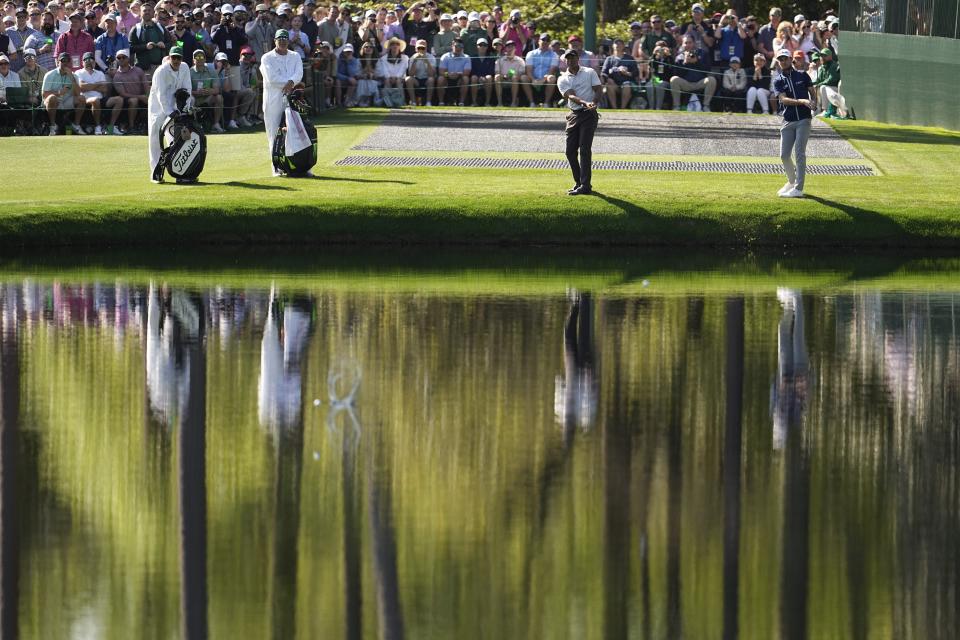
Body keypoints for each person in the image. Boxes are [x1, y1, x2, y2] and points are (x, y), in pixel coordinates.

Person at [557, 48, 600, 196]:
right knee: (570, 151)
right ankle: (579, 182)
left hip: (589, 114)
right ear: (565, 60)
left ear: (578, 59)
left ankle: (585, 185)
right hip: (574, 114)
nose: (570, 61)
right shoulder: (562, 79)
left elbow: (598, 89)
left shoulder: (589, 72)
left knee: (584, 149)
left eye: (573, 58)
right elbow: (571, 96)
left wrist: (593, 103)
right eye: (567, 59)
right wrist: (584, 103)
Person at [773, 48, 816, 198]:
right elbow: (783, 99)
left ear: (791, 59)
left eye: (785, 58)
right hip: (788, 120)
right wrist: (802, 101)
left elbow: (812, 90)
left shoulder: (802, 75)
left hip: (804, 119)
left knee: (799, 153)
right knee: (784, 155)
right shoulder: (778, 80)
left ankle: (798, 188)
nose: (783, 61)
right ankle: (791, 182)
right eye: (780, 59)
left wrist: (814, 102)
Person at [260, 28, 302, 176]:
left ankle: (300, 166)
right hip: (273, 100)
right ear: (275, 41)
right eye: (280, 39)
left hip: (291, 98)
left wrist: (292, 81)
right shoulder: (266, 58)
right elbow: (271, 78)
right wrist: (289, 83)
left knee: (296, 132)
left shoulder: (295, 55)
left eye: (285, 38)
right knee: (273, 134)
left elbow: (299, 73)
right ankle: (276, 168)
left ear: (288, 40)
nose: (283, 41)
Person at [147, 45, 191, 181]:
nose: (176, 60)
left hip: (176, 109)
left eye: (178, 58)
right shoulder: (161, 71)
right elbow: (161, 95)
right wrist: (169, 112)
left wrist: (185, 108)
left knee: (176, 140)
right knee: (155, 140)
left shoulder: (184, 67)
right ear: (169, 58)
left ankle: (180, 172)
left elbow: (187, 88)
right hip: (158, 110)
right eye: (173, 58)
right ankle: (156, 173)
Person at [75, 50, 122, 133]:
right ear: (82, 62)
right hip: (85, 99)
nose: (89, 62)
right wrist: (98, 84)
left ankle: (111, 126)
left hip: (100, 98)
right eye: (87, 60)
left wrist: (89, 86)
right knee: (95, 100)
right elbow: (82, 87)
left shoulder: (100, 73)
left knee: (119, 100)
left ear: (94, 62)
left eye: (92, 60)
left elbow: (104, 89)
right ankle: (98, 126)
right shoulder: (78, 72)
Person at [41, 50, 82, 134]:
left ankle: (76, 125)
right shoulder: (49, 75)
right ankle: (53, 126)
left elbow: (78, 94)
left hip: (66, 101)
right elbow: (44, 94)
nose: (65, 63)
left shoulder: (74, 76)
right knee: (52, 98)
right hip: (52, 102)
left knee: (82, 98)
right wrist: (58, 93)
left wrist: (71, 77)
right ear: (58, 62)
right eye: (63, 61)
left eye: (67, 61)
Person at [111, 47, 146, 133]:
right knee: (134, 101)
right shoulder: (117, 76)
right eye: (119, 58)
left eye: (124, 57)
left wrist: (148, 96)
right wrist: (140, 97)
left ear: (128, 58)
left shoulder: (138, 70)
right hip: (126, 100)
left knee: (152, 100)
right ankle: (131, 126)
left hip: (141, 96)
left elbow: (146, 86)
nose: (121, 59)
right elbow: (123, 94)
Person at [189, 48, 223, 132]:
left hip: (207, 98)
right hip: (194, 99)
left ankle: (216, 124)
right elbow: (186, 90)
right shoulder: (189, 72)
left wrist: (209, 91)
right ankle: (194, 125)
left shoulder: (211, 71)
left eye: (201, 57)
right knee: (191, 99)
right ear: (193, 60)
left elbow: (217, 90)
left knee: (219, 98)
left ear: (205, 59)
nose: (199, 59)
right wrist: (195, 92)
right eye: (197, 57)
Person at [599, 39, 637, 109]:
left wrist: (627, 73)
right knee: (609, 84)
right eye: (616, 43)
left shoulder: (630, 58)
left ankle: (622, 108)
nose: (618, 45)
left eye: (620, 43)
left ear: (623, 46)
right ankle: (614, 109)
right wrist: (607, 78)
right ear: (613, 46)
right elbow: (604, 73)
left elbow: (636, 73)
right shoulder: (609, 59)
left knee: (627, 85)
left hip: (627, 82)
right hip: (614, 83)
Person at [812, 47, 849, 118]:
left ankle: (825, 110)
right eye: (821, 56)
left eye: (824, 56)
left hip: (835, 88)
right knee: (814, 87)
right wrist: (810, 84)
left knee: (822, 87)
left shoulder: (834, 65)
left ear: (830, 57)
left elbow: (831, 80)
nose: (822, 58)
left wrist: (818, 84)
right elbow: (819, 80)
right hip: (827, 89)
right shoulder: (822, 67)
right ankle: (815, 111)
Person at [437, 37, 469, 106]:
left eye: (460, 46)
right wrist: (448, 74)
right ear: (452, 46)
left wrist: (458, 74)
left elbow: (467, 72)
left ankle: (461, 102)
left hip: (460, 77)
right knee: (440, 79)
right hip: (447, 77)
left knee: (465, 78)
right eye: (456, 46)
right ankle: (441, 102)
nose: (458, 48)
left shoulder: (466, 57)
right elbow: (441, 72)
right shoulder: (445, 56)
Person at [494, 39, 526, 107]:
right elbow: (497, 71)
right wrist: (505, 76)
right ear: (505, 48)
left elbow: (521, 73)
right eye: (508, 47)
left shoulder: (520, 60)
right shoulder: (500, 60)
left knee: (514, 78)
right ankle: (499, 103)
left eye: (512, 46)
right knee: (497, 77)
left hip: (515, 80)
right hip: (503, 80)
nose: (510, 48)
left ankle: (513, 103)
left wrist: (511, 75)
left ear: (515, 49)